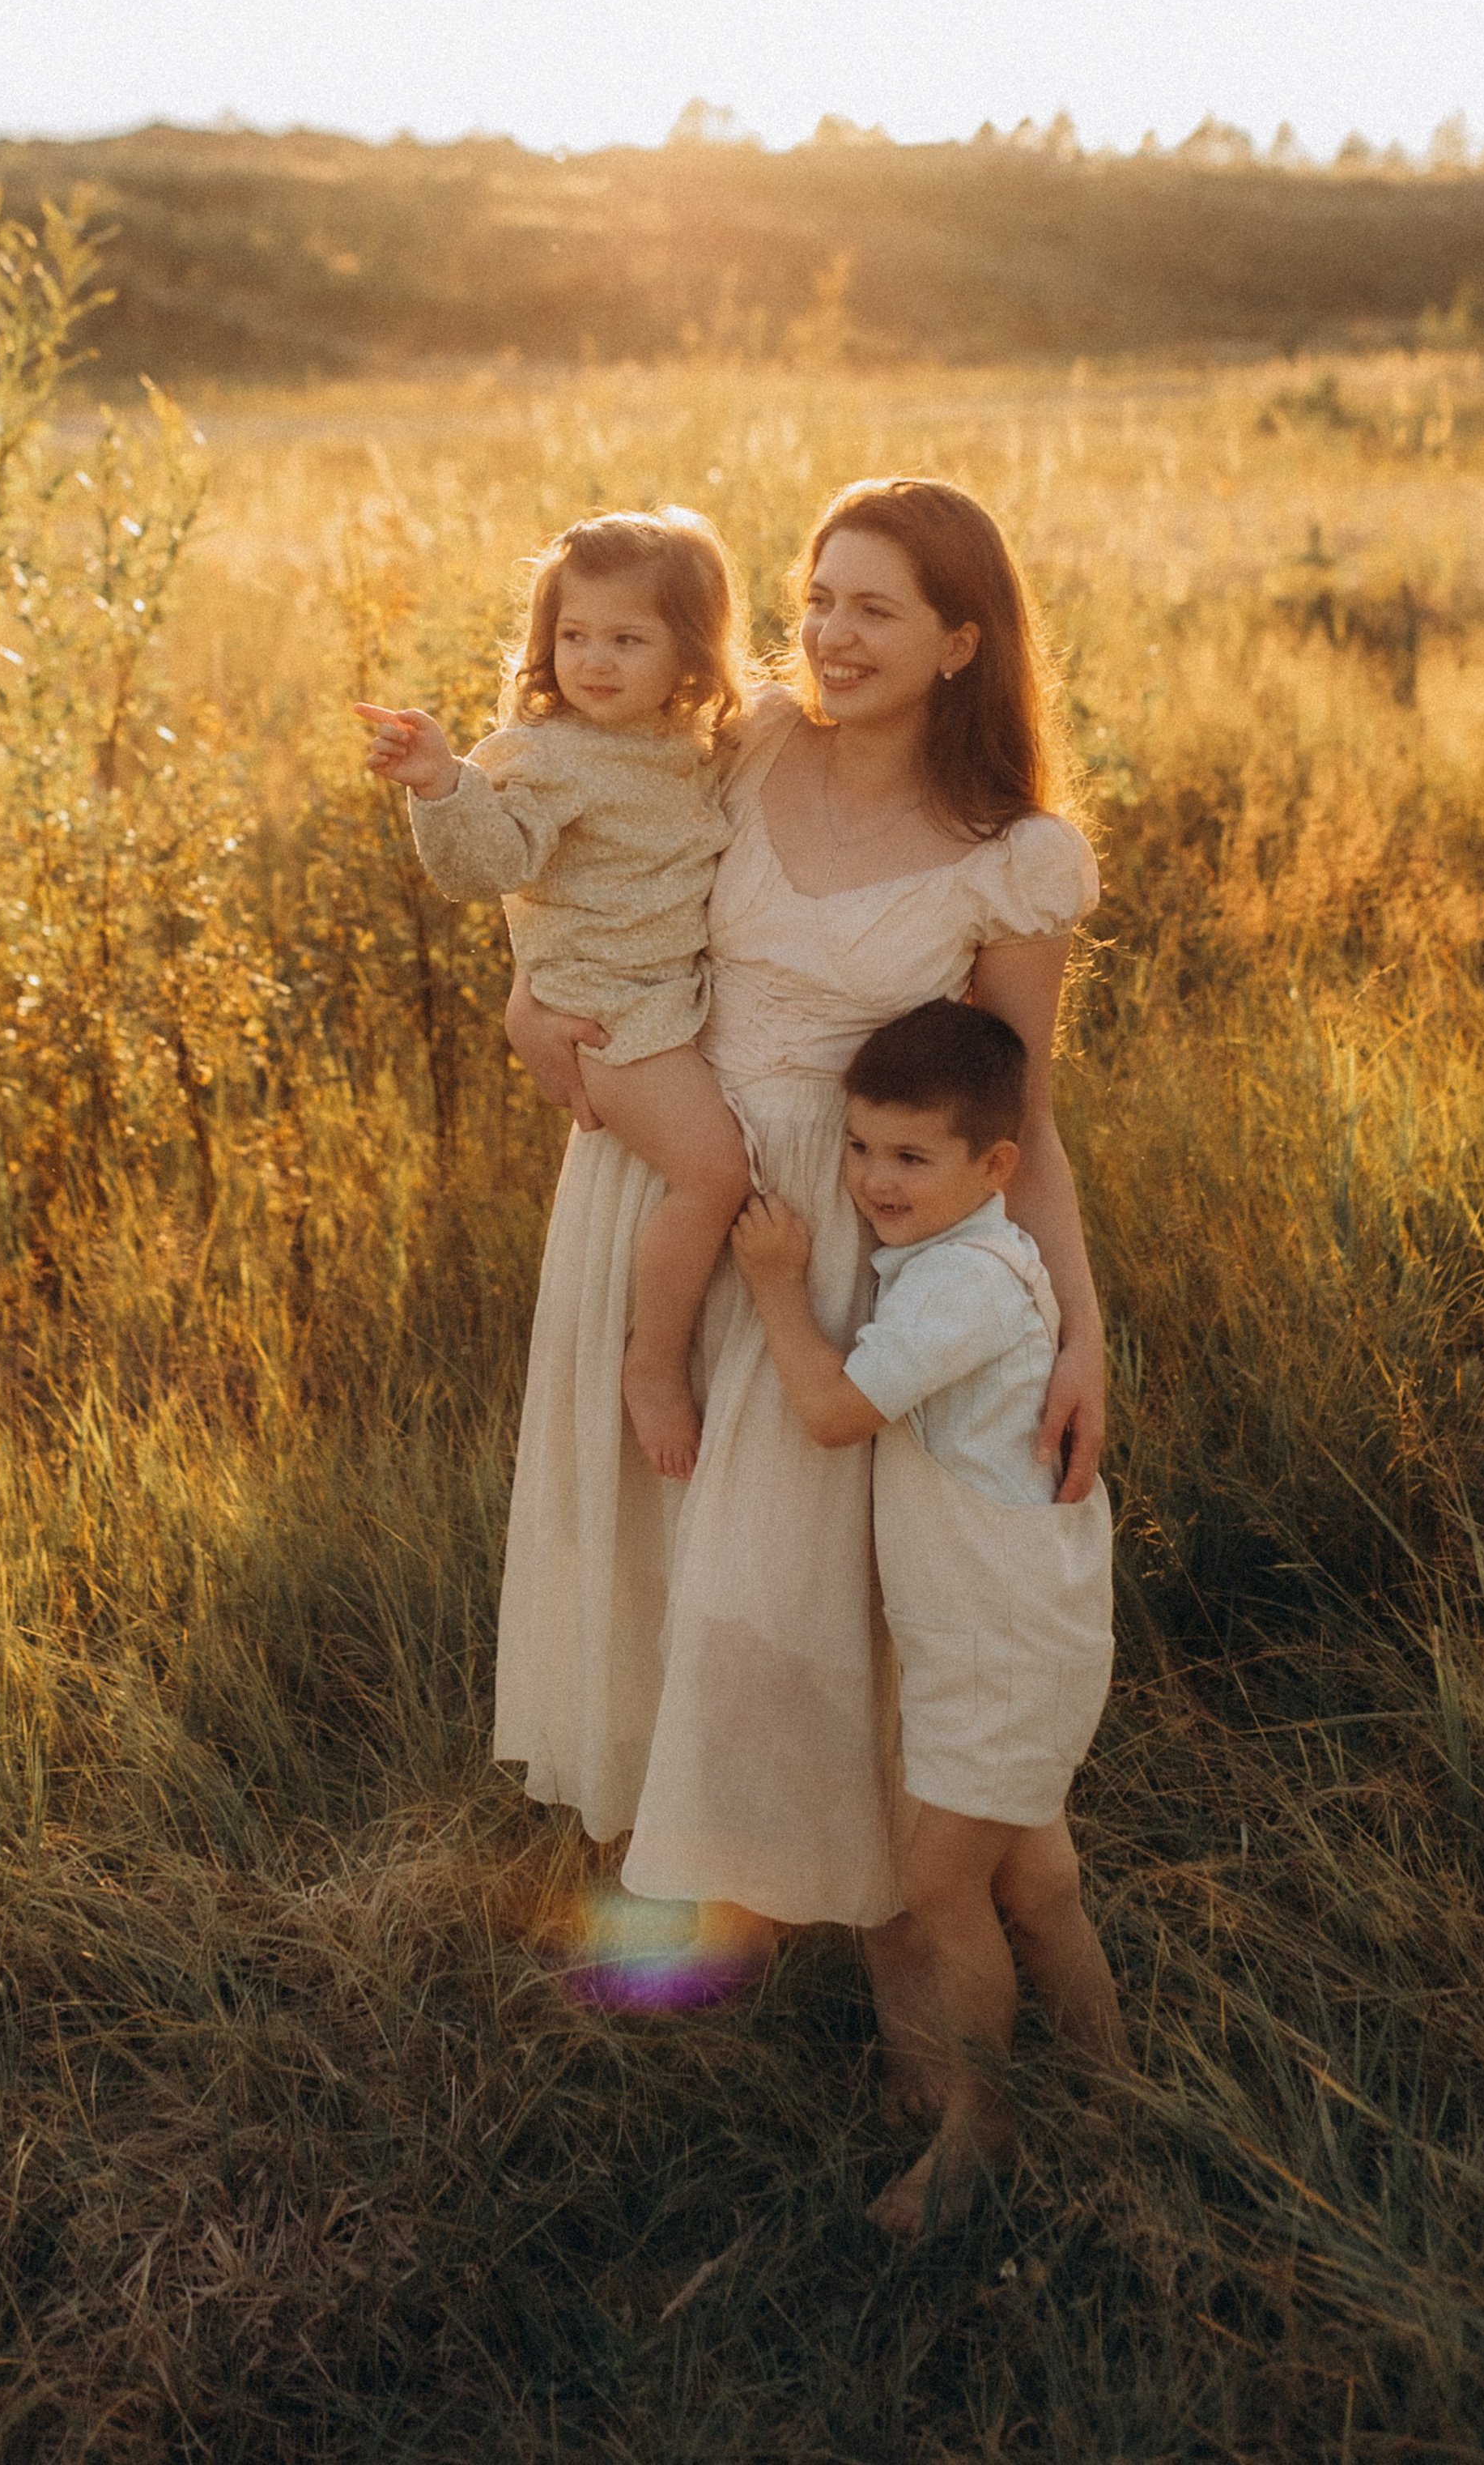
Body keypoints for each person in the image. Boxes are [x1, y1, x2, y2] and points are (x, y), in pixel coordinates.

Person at [497, 475, 1108, 2023]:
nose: (830, 636)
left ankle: (884, 1916)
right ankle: (712, 1937)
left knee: (793, 1588)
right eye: (818, 598)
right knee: (667, 1556)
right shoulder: (746, 736)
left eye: (876, 608)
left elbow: (1014, 1121)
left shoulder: (1010, 855)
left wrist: (1080, 1330)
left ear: (964, 640)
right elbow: (588, 867)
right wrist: (526, 1009)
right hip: (662, 1191)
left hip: (837, 1244)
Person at [731, 998, 1123, 2233]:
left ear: (993, 1166)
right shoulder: (974, 1256)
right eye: (859, 1148)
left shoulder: (960, 1291)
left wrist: (780, 1292)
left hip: (1000, 1650)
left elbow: (837, 1412)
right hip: (1019, 1637)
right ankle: (1116, 2101)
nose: (871, 1180)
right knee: (1041, 1884)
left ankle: (980, 2130)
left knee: (940, 1880)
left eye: (909, 1157)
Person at [358, 509, 753, 1476]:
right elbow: (487, 865)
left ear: (689, 656)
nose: (595, 661)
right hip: (610, 1016)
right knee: (714, 1175)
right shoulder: (543, 753)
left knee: (712, 1173)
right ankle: (651, 1363)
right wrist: (443, 784)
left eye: (627, 639)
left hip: (669, 996)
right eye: (574, 637)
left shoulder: (685, 742)